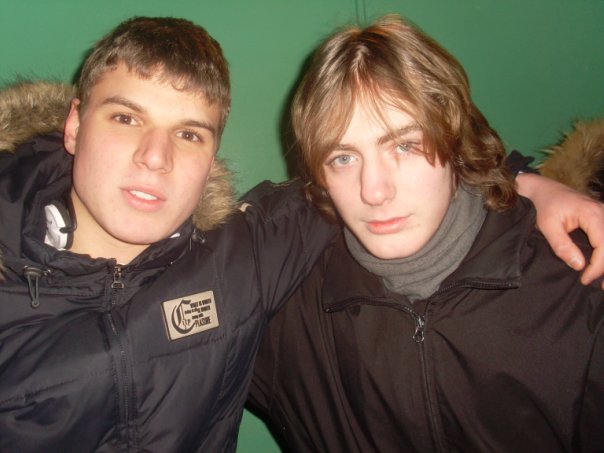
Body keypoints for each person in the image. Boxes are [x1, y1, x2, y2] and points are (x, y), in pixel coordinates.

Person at [0, 14, 601, 453]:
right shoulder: (281, 291)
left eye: (188, 133)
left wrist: (530, 181)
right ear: (74, 124)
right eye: (126, 117)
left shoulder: (574, 286)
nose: (374, 190)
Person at [249, 14, 604, 452]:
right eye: (343, 158)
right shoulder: (288, 308)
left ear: (456, 142)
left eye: (405, 145)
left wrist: (521, 180)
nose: (374, 191)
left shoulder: (576, 288)